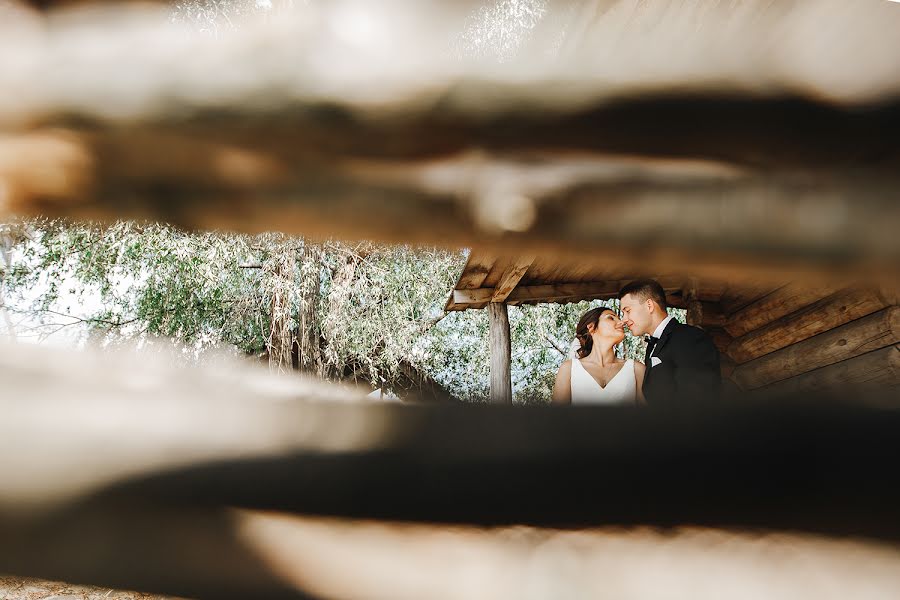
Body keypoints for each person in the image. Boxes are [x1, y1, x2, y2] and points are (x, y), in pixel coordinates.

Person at [618, 279, 721, 405]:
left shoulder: (689, 338)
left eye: (627, 311)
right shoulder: (652, 347)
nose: (623, 319)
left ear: (649, 305)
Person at [551, 306, 645, 405]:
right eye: (611, 318)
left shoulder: (636, 370)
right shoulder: (569, 369)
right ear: (591, 327)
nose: (622, 322)